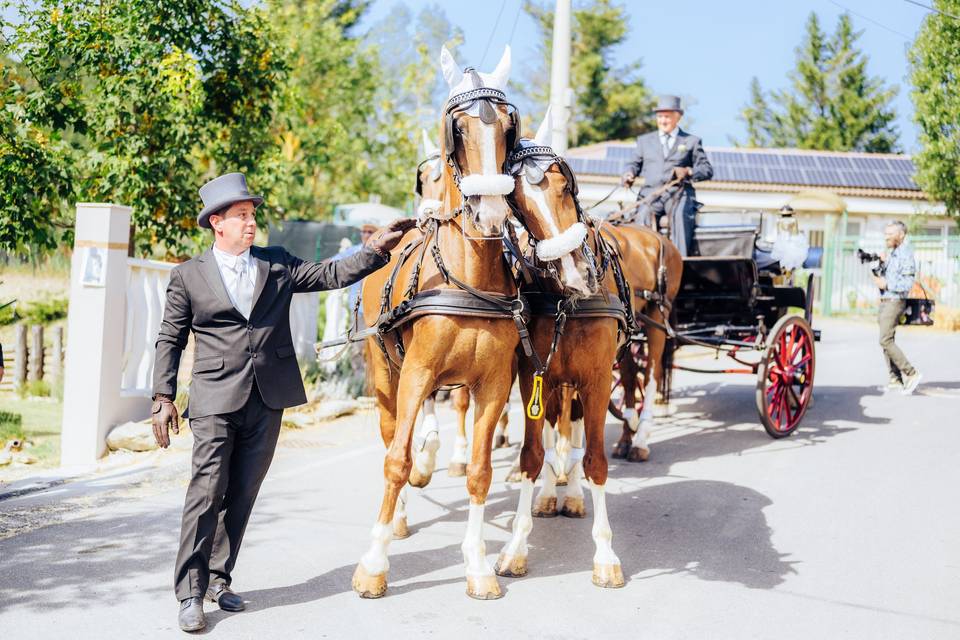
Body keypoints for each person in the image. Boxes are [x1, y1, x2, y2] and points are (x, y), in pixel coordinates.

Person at [151, 172, 415, 632]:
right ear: (216, 222)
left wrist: (378, 250)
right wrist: (162, 396)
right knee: (207, 490)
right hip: (214, 398)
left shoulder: (276, 264)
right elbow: (169, 338)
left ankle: (218, 579)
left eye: (252, 215)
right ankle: (190, 592)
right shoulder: (187, 276)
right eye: (240, 216)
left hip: (268, 396)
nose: (250, 224)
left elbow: (332, 273)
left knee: (244, 492)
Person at [621, 95, 714, 256]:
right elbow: (633, 164)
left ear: (678, 117)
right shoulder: (644, 141)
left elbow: (707, 169)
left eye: (667, 117)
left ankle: (680, 262)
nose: (663, 120)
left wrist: (689, 171)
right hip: (651, 194)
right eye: (660, 116)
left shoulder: (691, 141)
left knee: (679, 216)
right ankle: (644, 262)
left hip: (678, 193)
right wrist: (629, 174)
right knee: (642, 215)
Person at [875, 221, 922, 395]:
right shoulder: (893, 253)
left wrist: (886, 283)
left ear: (901, 235)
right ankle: (895, 380)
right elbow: (884, 277)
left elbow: (907, 283)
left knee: (885, 340)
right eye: (885, 233)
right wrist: (880, 265)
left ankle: (912, 373)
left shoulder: (905, 254)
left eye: (890, 234)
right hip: (886, 299)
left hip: (895, 301)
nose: (886, 237)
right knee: (887, 340)